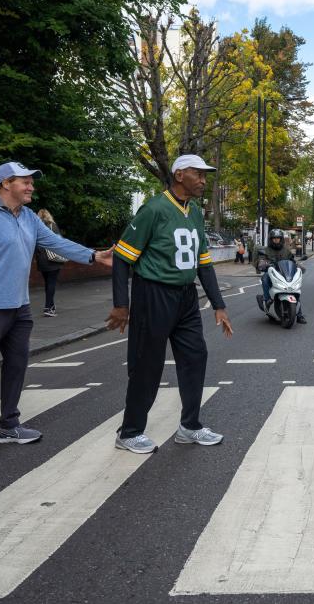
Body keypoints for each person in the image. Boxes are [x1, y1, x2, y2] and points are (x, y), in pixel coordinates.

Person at [0, 162, 113, 456]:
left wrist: (93, 255)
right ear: (5, 184)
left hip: (19, 307)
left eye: (31, 182)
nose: (31, 187)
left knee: (16, 365)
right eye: (25, 182)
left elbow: (55, 242)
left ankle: (8, 426)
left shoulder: (27, 217)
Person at [107, 154, 234, 454]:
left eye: (205, 175)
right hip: (153, 293)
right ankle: (130, 431)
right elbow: (122, 257)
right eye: (198, 174)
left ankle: (190, 426)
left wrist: (218, 304)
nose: (204, 180)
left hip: (186, 297)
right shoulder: (154, 208)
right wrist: (121, 304)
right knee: (147, 363)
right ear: (179, 175)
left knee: (196, 356)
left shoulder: (195, 213)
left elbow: (204, 263)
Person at [257, 228, 306, 324]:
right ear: (271, 239)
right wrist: (263, 264)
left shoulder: (286, 251)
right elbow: (262, 260)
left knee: (294, 289)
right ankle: (268, 299)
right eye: (274, 238)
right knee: (265, 278)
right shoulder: (266, 250)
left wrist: (298, 265)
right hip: (272, 273)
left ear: (281, 239)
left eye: (278, 238)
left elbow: (292, 261)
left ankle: (299, 315)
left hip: (284, 273)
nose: (276, 240)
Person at [35, 208, 64, 317]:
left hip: (41, 260)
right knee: (51, 283)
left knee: (47, 283)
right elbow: (59, 242)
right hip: (52, 259)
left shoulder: (36, 228)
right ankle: (48, 308)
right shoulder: (53, 226)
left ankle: (51, 305)